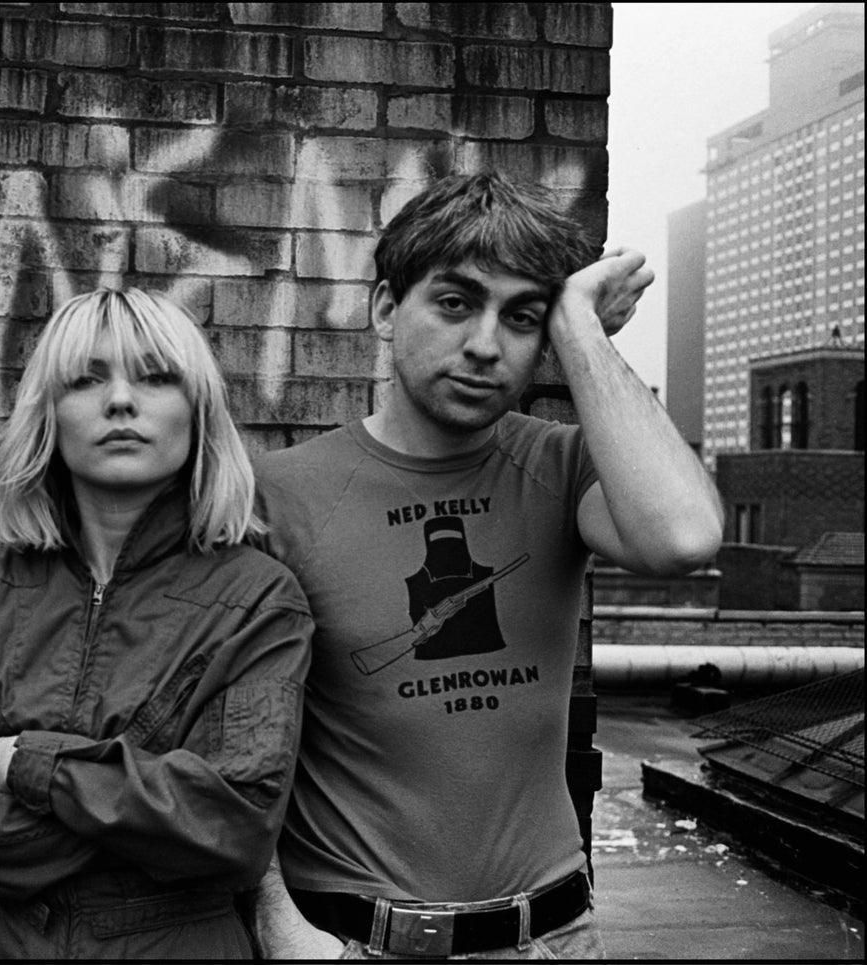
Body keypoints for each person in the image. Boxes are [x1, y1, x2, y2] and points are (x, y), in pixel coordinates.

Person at [250, 172, 724, 959]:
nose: (483, 344)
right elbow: (232, 732)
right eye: (454, 302)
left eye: (520, 317)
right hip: (353, 938)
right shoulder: (280, 492)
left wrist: (579, 332)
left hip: (553, 936)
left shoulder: (560, 465)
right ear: (383, 308)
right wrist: (274, 919)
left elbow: (680, 537)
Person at [0, 287, 314, 958]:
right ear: (49, 415)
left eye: (155, 376)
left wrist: (31, 767)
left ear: (197, 412)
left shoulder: (257, 602)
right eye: (86, 379)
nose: (120, 400)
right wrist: (145, 819)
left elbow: (231, 827)